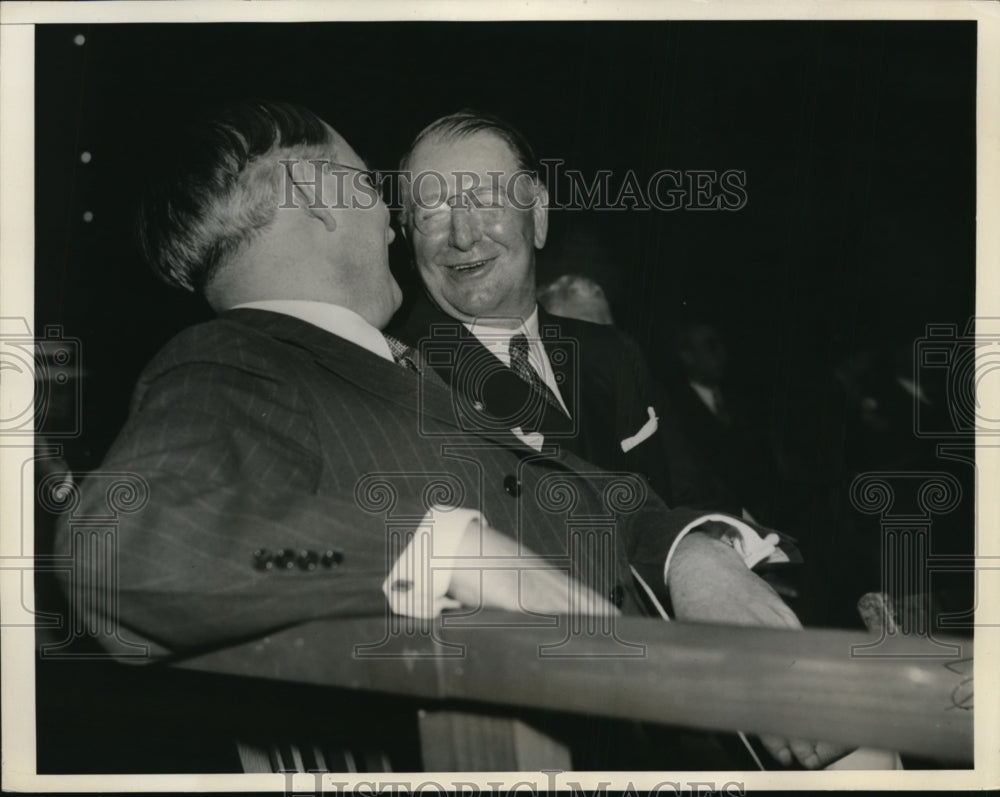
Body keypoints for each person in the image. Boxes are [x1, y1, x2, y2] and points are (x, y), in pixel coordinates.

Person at [55, 100, 830, 769]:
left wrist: (692, 552)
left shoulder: (384, 370)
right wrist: (447, 555)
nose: (394, 222)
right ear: (317, 201)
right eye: (370, 187)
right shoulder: (230, 358)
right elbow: (115, 542)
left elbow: (589, 494)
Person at [391, 111, 743, 515]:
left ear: (537, 214)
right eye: (431, 212)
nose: (463, 236)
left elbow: (691, 500)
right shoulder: (396, 376)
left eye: (486, 201)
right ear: (407, 236)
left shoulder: (613, 354)